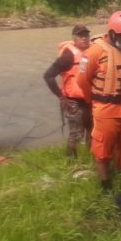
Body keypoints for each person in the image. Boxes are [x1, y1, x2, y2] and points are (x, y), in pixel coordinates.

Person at [77, 10, 121, 192]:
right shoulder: (94, 52)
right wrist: (94, 101)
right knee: (102, 147)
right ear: (111, 33)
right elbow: (82, 81)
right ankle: (106, 183)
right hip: (106, 108)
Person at [43, 24, 93, 158]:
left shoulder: (93, 51)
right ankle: (71, 162)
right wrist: (61, 97)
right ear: (74, 38)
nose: (84, 38)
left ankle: (92, 158)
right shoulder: (68, 55)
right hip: (73, 101)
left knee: (93, 132)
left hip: (91, 99)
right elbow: (48, 76)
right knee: (76, 134)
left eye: (86, 35)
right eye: (80, 36)